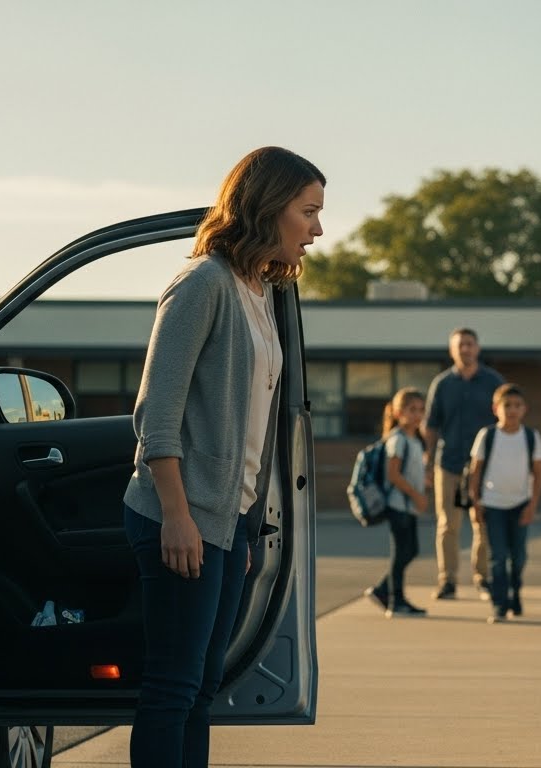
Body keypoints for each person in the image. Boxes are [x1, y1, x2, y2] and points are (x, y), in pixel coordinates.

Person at [121, 146, 325, 768]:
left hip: (229, 522)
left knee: (204, 688)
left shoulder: (257, 291)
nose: (317, 229)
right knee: (173, 687)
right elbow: (157, 414)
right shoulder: (201, 283)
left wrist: (246, 528)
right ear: (269, 207)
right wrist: (177, 515)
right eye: (308, 211)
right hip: (180, 515)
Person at [423, 327, 504, 600]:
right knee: (448, 525)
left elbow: (503, 423)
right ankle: (447, 581)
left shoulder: (493, 382)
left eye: (469, 344)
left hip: (483, 467)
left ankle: (483, 578)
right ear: (452, 350)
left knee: (482, 523)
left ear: (477, 348)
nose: (465, 349)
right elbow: (431, 425)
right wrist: (427, 460)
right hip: (448, 464)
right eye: (460, 345)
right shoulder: (443, 383)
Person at [468, 383, 541, 623]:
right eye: (507, 405)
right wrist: (476, 502)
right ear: (496, 408)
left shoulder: (531, 437)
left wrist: (532, 504)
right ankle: (499, 604)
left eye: (516, 406)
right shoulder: (487, 435)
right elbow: (475, 471)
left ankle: (515, 594)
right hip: (492, 505)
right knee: (498, 556)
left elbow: (539, 473)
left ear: (524, 409)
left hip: (520, 505)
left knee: (519, 556)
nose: (512, 410)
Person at [364, 388, 429, 618]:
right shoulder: (397, 439)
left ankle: (384, 591)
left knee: (410, 551)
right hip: (398, 504)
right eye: (412, 410)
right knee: (402, 552)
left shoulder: (416, 439)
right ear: (399, 413)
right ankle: (396, 601)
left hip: (408, 505)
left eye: (421, 410)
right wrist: (416, 495)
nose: (417, 415)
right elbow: (393, 474)